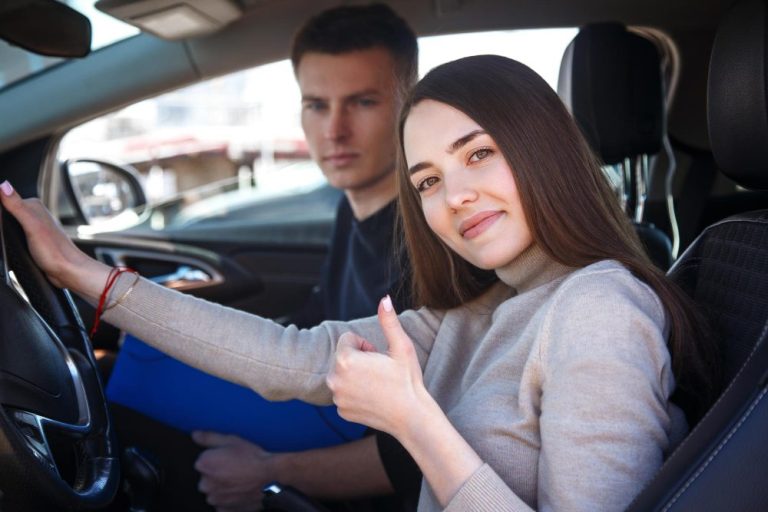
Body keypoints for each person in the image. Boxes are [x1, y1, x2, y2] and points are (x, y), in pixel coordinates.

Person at [0, 54, 721, 511]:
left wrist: (415, 420)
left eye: (479, 155)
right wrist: (83, 274)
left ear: (545, 153)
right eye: (429, 179)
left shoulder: (597, 307)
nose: (454, 195)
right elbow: (293, 358)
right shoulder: (479, 314)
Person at [112, 4, 423, 511]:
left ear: (409, 104)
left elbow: (415, 450)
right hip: (319, 420)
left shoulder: (425, 245)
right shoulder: (356, 212)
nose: (335, 131)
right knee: (148, 353)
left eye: (363, 102)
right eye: (317, 105)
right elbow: (307, 326)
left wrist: (268, 471)